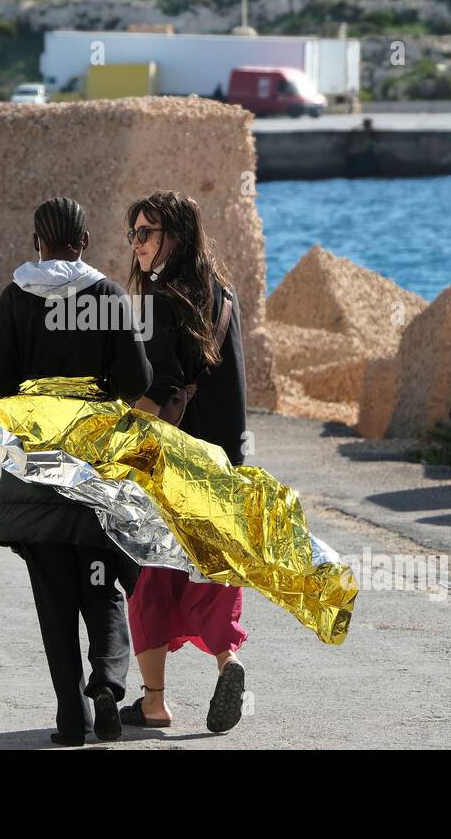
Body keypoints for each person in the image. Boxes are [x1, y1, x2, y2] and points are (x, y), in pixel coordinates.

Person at [0, 196, 152, 747]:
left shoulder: (14, 298)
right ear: (85, 239)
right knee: (103, 586)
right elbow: (136, 379)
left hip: (36, 470)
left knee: (53, 595)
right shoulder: (107, 296)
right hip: (94, 468)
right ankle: (107, 684)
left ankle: (71, 719)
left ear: (36, 242)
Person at [119, 189, 250, 734]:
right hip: (223, 463)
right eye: (133, 233)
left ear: (175, 237)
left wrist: (120, 434)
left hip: (173, 466)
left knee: (150, 577)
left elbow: (167, 386)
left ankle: (154, 702)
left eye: (146, 233)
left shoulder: (157, 300)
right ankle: (229, 662)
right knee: (213, 574)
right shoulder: (224, 295)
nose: (137, 244)